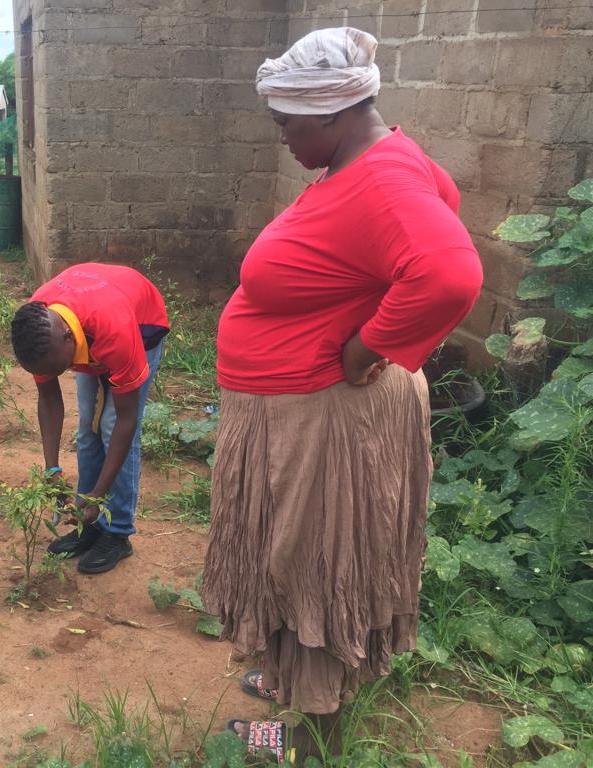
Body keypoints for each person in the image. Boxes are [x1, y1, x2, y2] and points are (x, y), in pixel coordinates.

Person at [201, 27, 484, 762]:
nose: (282, 138)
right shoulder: (376, 161)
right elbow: (436, 211)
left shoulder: (383, 178)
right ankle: (294, 686)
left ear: (331, 113)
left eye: (286, 123)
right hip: (303, 411)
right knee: (294, 567)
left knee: (310, 571)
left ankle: (302, 742)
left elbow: (450, 273)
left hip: (321, 415)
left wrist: (368, 345)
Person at [10, 263, 169, 575]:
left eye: (64, 367)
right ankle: (89, 521)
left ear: (69, 340)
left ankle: (118, 530)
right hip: (94, 325)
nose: (62, 374)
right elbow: (50, 399)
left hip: (141, 326)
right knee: (88, 429)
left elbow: (127, 420)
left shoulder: (115, 333)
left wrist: (100, 493)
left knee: (111, 427)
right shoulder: (39, 333)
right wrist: (52, 469)